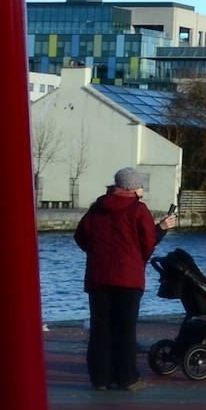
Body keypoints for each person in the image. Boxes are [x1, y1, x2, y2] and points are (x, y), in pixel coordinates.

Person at [74, 166, 177, 390]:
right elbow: (147, 242)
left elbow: (80, 236)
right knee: (125, 328)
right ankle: (127, 378)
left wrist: (96, 254)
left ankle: (100, 379)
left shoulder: (97, 207)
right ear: (133, 187)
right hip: (128, 278)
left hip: (99, 276)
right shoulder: (138, 209)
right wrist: (146, 248)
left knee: (100, 328)